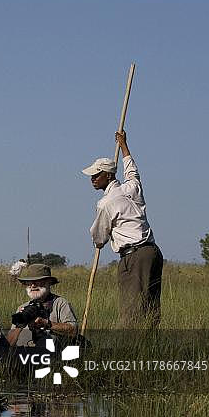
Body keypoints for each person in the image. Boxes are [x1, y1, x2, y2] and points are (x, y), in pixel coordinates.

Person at [83, 131, 163, 327]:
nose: (93, 179)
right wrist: (124, 145)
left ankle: (131, 347)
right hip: (152, 252)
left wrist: (100, 239)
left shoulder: (105, 203)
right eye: (92, 175)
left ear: (108, 175)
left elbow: (99, 238)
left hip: (133, 255)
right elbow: (132, 171)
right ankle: (149, 344)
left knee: (132, 308)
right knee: (151, 306)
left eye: (97, 174)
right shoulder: (132, 187)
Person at [6, 263, 79, 348]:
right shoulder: (23, 308)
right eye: (29, 282)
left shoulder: (60, 304)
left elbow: (73, 330)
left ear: (48, 283)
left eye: (37, 281)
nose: (33, 285)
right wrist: (20, 325)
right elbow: (9, 344)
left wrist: (47, 324)